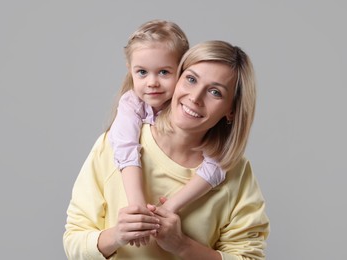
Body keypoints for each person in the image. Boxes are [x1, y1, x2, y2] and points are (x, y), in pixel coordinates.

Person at [64, 40, 270, 259]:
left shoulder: (237, 174)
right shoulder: (113, 144)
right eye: (191, 79)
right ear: (177, 78)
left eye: (215, 92)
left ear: (231, 110)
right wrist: (117, 235)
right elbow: (74, 242)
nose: (195, 98)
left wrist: (182, 246)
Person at [109, 19, 227, 243]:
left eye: (164, 72)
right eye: (142, 72)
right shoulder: (131, 104)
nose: (152, 82)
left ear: (182, 71)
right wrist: (138, 207)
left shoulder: (192, 110)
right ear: (130, 70)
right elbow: (125, 147)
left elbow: (218, 164)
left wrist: (170, 207)